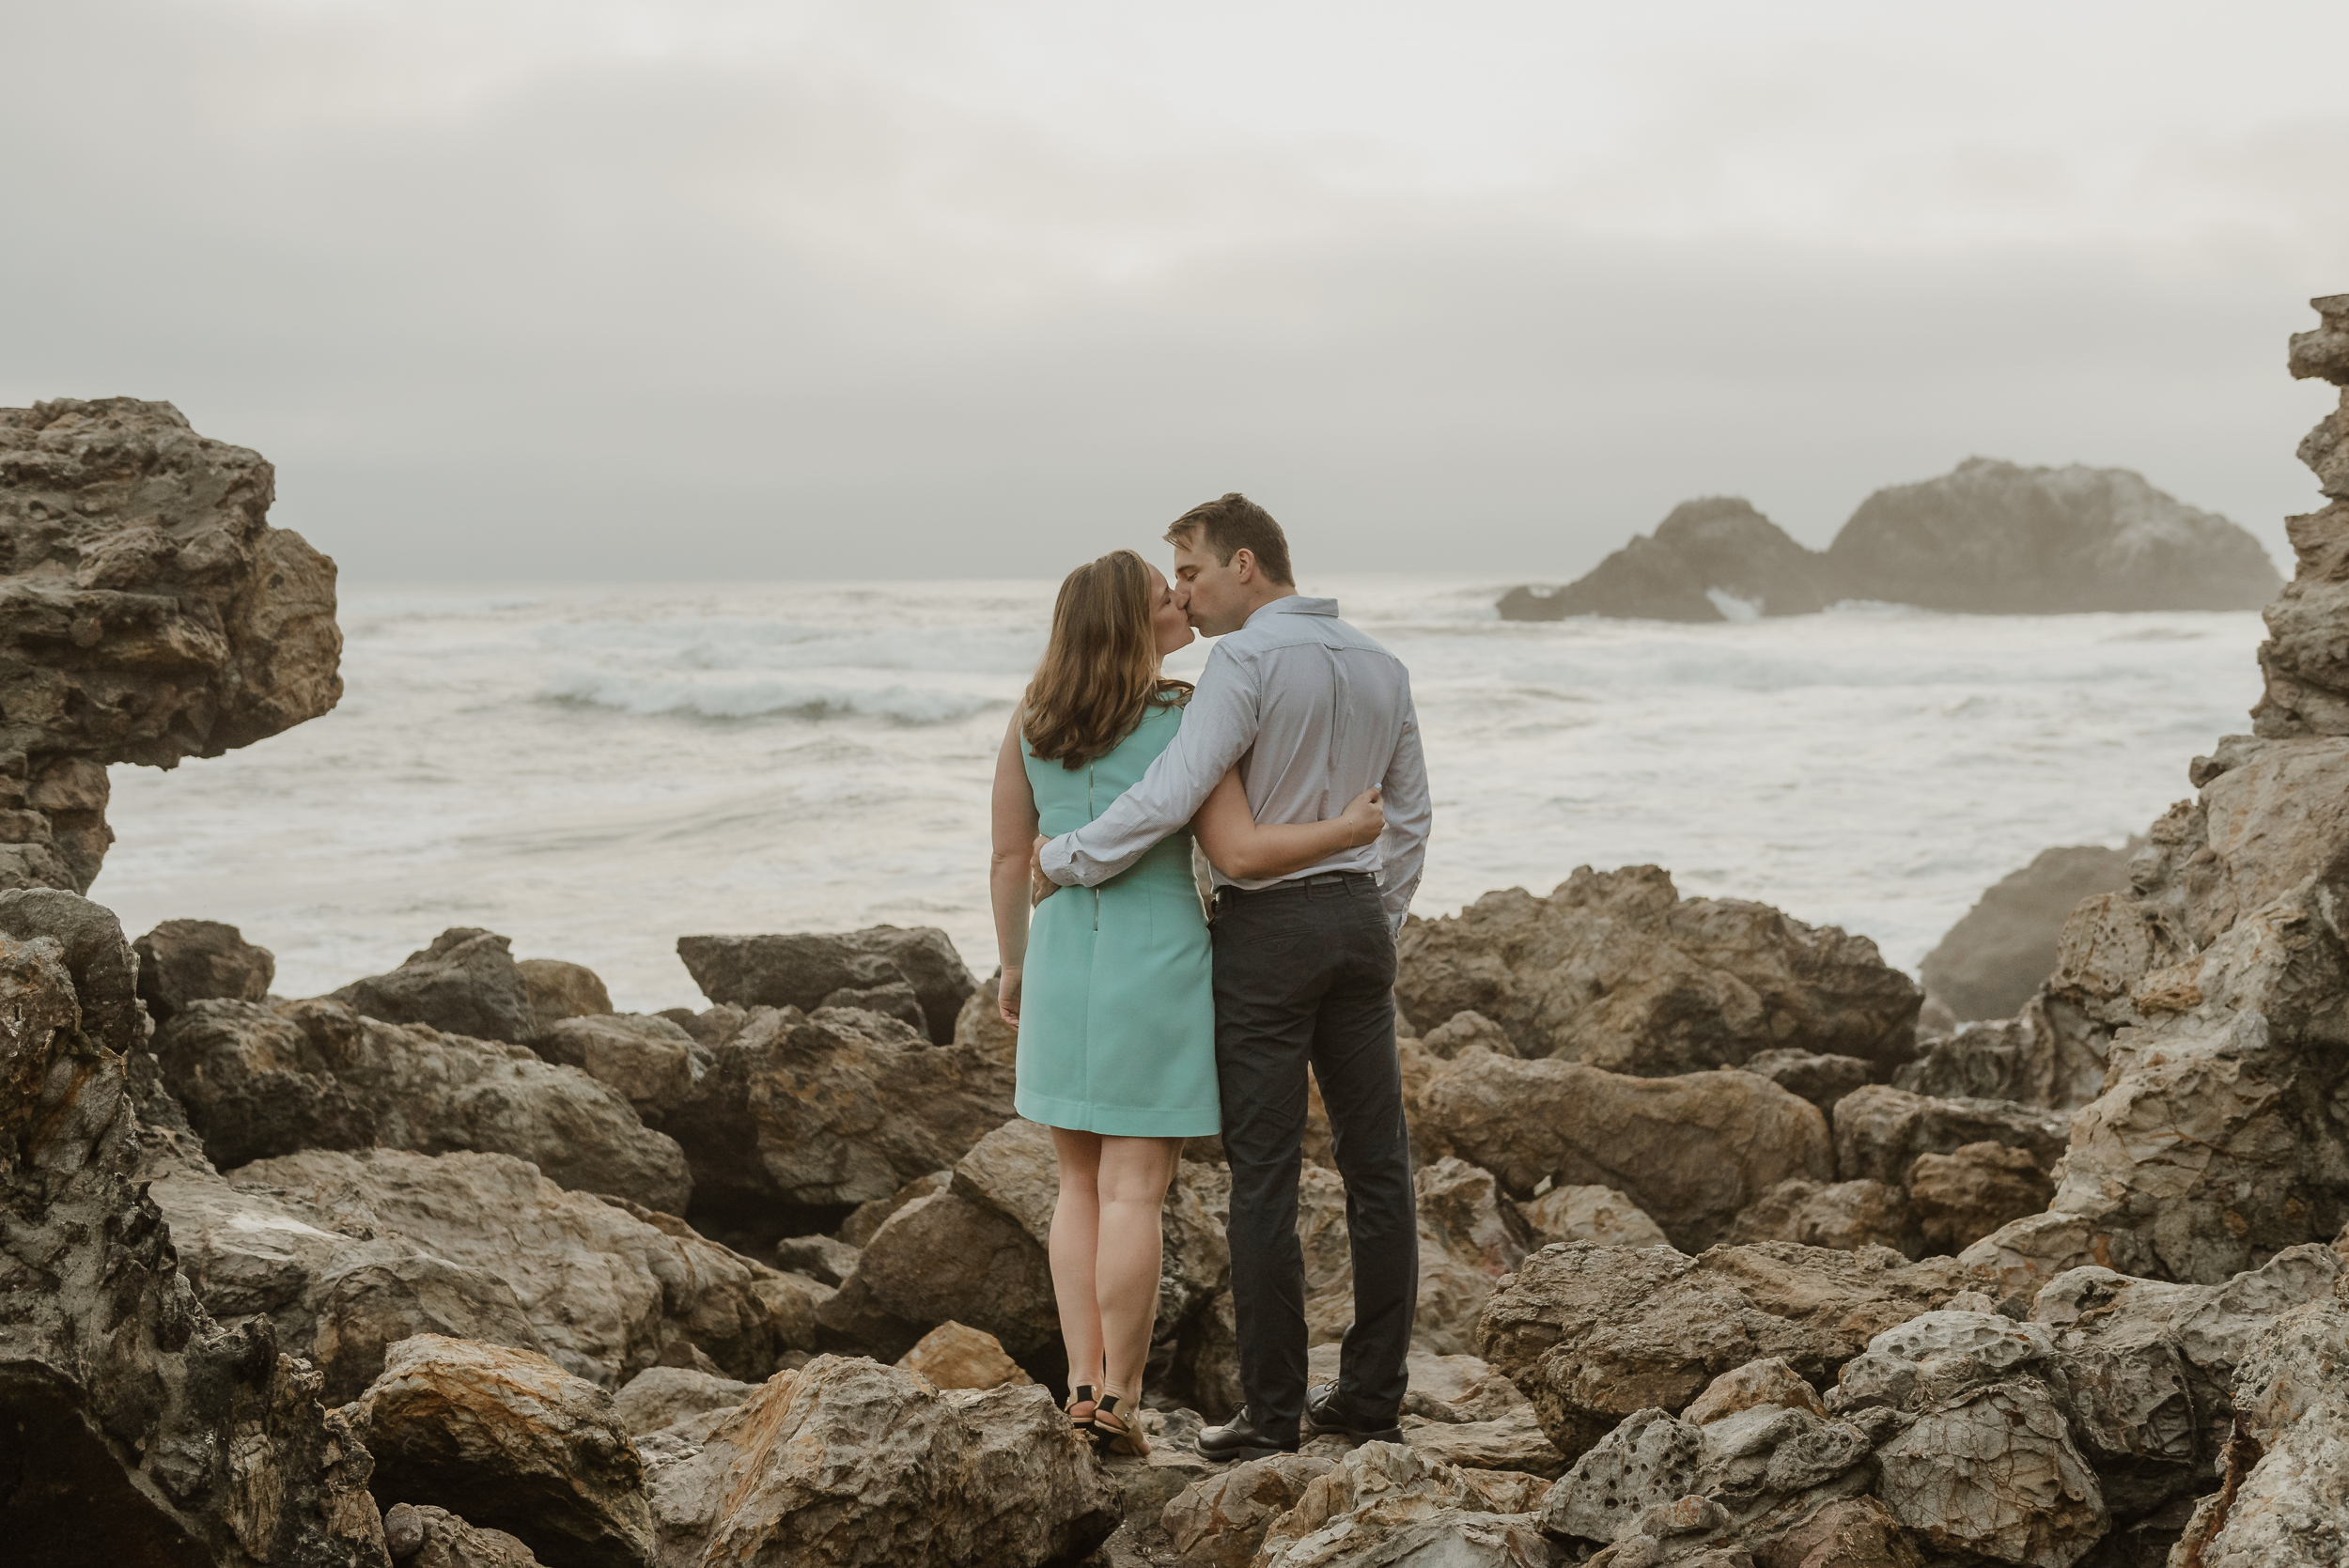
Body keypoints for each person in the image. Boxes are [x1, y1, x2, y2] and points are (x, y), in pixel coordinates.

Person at [1034, 492, 1432, 1462]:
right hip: (1355, 921)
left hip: (1268, 934)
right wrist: (1372, 918)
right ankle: (1372, 1398)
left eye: (1194, 574)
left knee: (1265, 1175)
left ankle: (1270, 1414)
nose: (1186, 596)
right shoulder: (1384, 663)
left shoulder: (1242, 663)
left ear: (1245, 564)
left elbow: (1172, 793)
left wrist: (1068, 857)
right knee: (1378, 1164)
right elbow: (1411, 819)